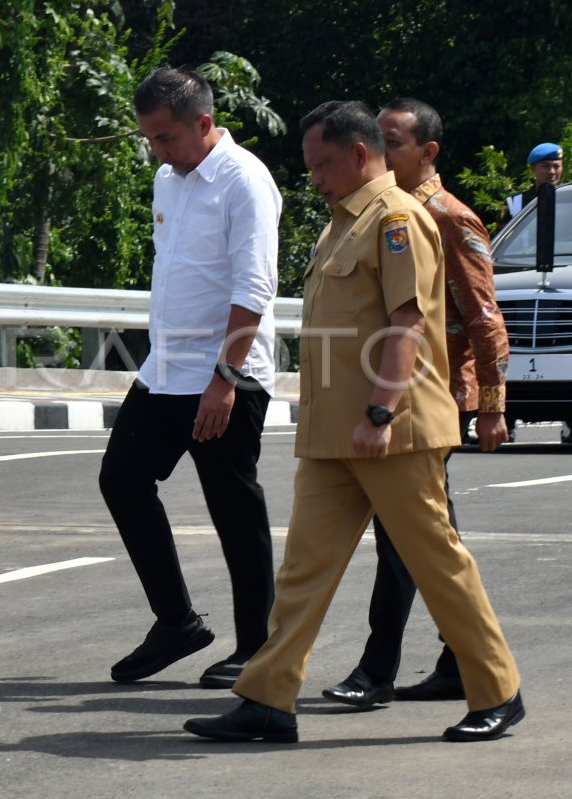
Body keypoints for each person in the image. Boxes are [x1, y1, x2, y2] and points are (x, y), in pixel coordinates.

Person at [184, 100, 523, 744]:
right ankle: (267, 700)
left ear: (358, 155)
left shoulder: (398, 219)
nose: (313, 177)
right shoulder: (341, 223)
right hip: (333, 433)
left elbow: (409, 323)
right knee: (304, 570)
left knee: (436, 562)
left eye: (322, 164)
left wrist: (379, 411)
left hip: (390, 431)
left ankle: (498, 690)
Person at [319, 97, 510, 710]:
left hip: (428, 400)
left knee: (413, 539)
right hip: (397, 395)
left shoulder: (446, 217)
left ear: (427, 152)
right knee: (425, 539)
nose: (380, 148)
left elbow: (484, 316)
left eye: (393, 141)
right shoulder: (369, 215)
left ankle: (383, 671)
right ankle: (456, 662)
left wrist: (491, 403)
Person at [99, 66, 281, 690]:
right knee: (121, 479)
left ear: (204, 123)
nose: (158, 151)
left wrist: (225, 379)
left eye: (167, 137)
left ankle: (258, 647)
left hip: (226, 374)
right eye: (150, 139)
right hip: (165, 370)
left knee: (233, 507)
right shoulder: (166, 180)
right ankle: (176, 621)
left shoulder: (244, 180)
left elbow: (252, 286)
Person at [504, 142, 563, 219]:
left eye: (556, 166)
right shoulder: (514, 203)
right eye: (545, 166)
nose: (552, 171)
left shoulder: (569, 200)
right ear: (532, 168)